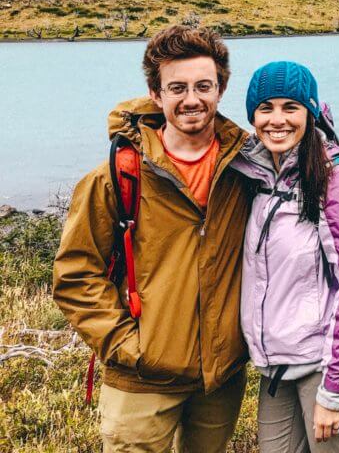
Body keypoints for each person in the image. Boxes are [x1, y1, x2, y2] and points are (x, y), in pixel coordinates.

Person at [53, 25, 252, 453]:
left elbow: (306, 162)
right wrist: (128, 346)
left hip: (220, 378)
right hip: (141, 381)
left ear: (221, 89)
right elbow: (75, 273)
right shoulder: (116, 175)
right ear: (156, 94)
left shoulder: (247, 166)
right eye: (177, 87)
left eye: (204, 85)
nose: (192, 99)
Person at [230, 61, 339, 452]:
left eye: (290, 107)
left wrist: (335, 391)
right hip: (277, 363)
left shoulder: (338, 183)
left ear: (310, 113)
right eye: (265, 108)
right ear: (252, 116)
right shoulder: (260, 177)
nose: (276, 120)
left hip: (327, 362)